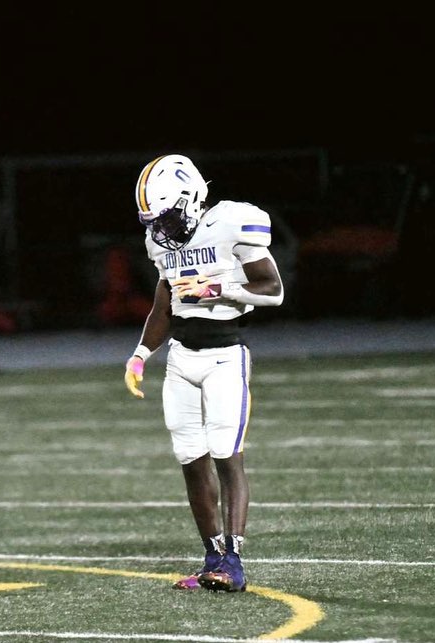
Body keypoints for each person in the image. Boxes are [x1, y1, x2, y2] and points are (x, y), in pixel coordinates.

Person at [123, 154, 284, 593]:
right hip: (181, 359)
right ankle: (212, 558)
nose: (162, 228)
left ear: (191, 197)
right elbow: (164, 304)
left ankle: (234, 562)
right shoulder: (161, 244)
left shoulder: (230, 222)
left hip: (225, 355)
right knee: (191, 462)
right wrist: (140, 354)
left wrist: (217, 289)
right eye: (155, 221)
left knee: (227, 457)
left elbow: (273, 289)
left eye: (167, 216)